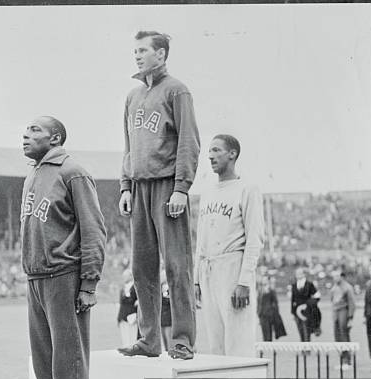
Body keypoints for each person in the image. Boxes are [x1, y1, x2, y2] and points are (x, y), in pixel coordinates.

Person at [21, 116, 106, 379]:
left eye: (35, 130)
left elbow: (95, 231)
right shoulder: (32, 174)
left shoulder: (73, 172)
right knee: (46, 367)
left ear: (55, 137)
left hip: (64, 278)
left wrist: (88, 284)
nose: (26, 135)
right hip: (36, 279)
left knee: (69, 366)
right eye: (26, 130)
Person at [118, 30, 200, 360]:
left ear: (162, 54)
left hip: (168, 186)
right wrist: (125, 185)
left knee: (177, 267)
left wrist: (182, 188)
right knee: (142, 268)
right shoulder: (132, 96)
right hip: (139, 188)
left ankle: (181, 341)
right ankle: (149, 340)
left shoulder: (177, 90)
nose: (137, 55)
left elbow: (188, 142)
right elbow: (129, 147)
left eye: (143, 50)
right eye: (134, 50)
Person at [194, 134, 264, 357]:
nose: (210, 156)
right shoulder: (207, 192)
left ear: (232, 154)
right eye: (209, 152)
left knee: (239, 343)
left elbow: (255, 239)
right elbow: (200, 240)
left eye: (216, 150)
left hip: (233, 268)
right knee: (216, 345)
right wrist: (196, 280)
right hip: (208, 269)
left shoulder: (248, 188)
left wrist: (243, 281)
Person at [330, 268, 355, 369]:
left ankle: (347, 360)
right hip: (336, 313)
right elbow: (332, 300)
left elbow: (352, 303)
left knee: (344, 335)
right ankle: (342, 358)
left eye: (337, 276)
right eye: (333, 276)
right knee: (337, 336)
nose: (335, 278)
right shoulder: (334, 287)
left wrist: (350, 318)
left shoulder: (347, 287)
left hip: (344, 311)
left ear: (341, 276)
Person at [291, 268, 319, 342]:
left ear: (304, 274)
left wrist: (308, 304)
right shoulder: (294, 285)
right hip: (297, 312)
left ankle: (307, 348)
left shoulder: (309, 284)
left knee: (307, 330)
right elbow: (293, 299)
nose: (298, 275)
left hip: (307, 312)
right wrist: (293, 312)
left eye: (300, 273)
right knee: (300, 331)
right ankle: (302, 347)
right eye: (297, 274)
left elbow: (317, 296)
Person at [257, 276, 286, 341]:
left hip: (270, 315)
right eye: (263, 280)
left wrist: (275, 314)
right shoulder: (260, 290)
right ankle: (265, 348)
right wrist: (258, 313)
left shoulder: (271, 290)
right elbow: (258, 303)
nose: (263, 281)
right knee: (264, 332)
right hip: (262, 315)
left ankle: (271, 348)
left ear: (268, 281)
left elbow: (275, 303)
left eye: (265, 280)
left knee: (269, 333)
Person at [117, 268, 138, 347]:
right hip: (123, 314)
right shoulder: (123, 288)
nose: (124, 278)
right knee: (124, 335)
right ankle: (125, 348)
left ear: (130, 276)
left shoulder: (135, 287)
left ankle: (132, 348)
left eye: (126, 276)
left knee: (132, 335)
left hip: (132, 314)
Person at [160, 269, 172, 351]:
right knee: (164, 339)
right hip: (161, 318)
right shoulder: (159, 288)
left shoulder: (170, 287)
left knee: (169, 339)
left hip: (169, 317)